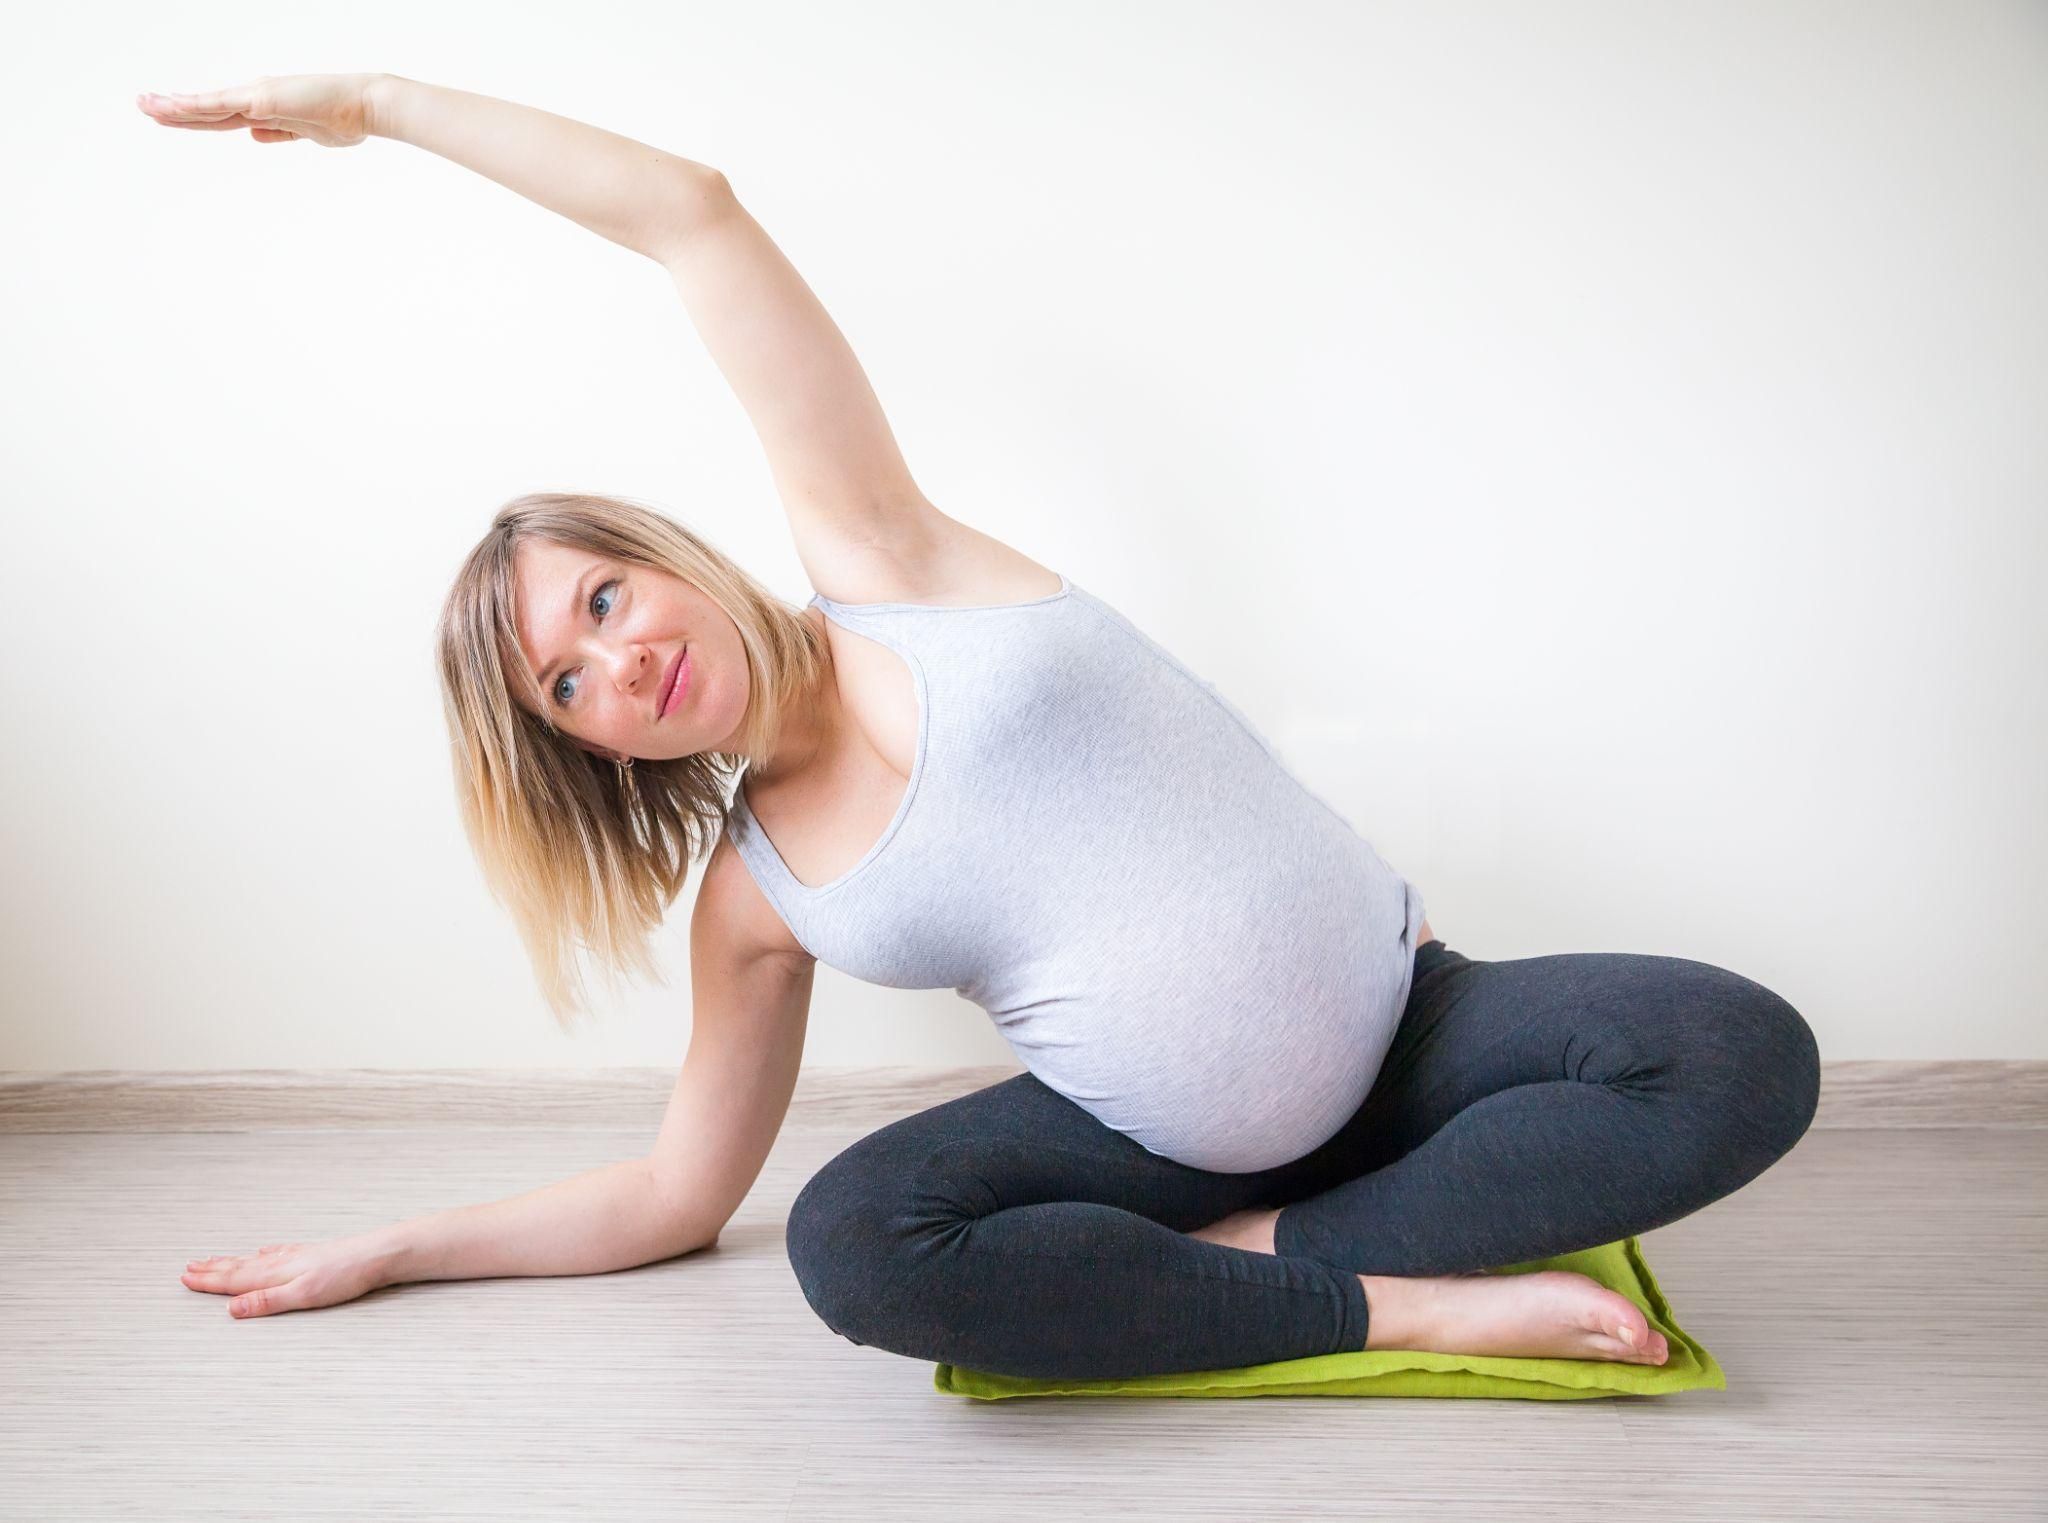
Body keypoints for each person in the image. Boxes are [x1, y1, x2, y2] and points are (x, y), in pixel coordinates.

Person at [150, 73, 1820, 1376]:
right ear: (591, 754)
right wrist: (392, 1249)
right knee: (857, 1243)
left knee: (1738, 1054)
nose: (619, 666)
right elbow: (673, 1202)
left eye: (599, 604)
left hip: (1415, 1026)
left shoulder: (886, 556)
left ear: (659, 563)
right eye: (567, 691)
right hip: (1146, 1148)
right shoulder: (755, 903)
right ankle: (1407, 1303)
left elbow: (694, 219)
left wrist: (375, 106)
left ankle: (1259, 1263)